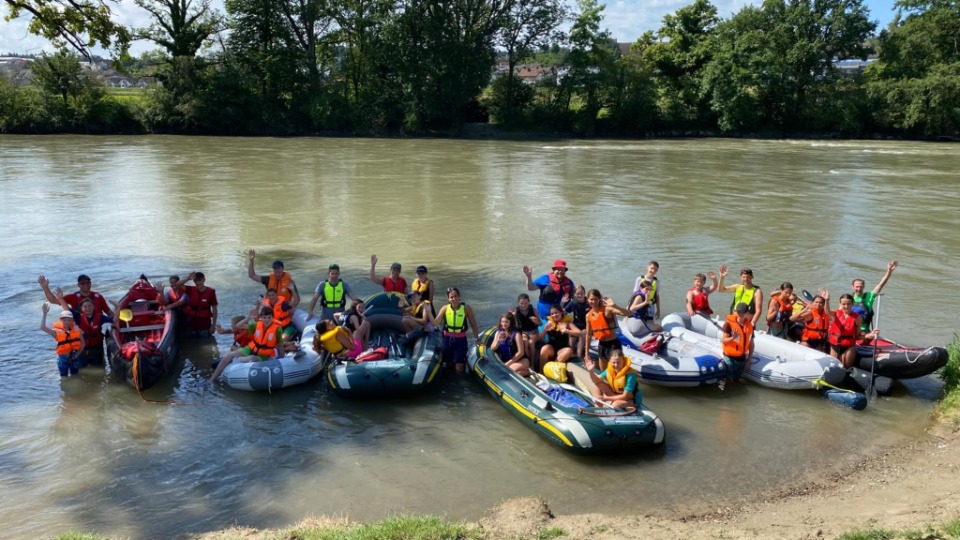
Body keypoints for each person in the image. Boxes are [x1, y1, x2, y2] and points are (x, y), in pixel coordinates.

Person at [210, 307, 284, 381]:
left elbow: (280, 344)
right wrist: (248, 318)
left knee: (252, 358)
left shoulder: (277, 329)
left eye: (269, 317)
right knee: (228, 355)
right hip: (251, 348)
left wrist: (282, 358)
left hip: (263, 353)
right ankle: (212, 379)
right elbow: (238, 326)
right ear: (261, 317)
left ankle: (239, 359)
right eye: (264, 317)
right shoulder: (256, 325)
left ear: (272, 317)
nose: (267, 320)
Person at [53, 289, 107, 367]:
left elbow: (113, 320)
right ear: (81, 308)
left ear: (93, 307)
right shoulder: (78, 317)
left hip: (97, 348)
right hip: (82, 349)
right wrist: (60, 298)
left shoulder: (100, 317)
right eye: (85, 306)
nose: (88, 308)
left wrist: (118, 308)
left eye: (90, 306)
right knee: (81, 369)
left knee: (99, 368)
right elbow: (67, 309)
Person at [433, 287, 479, 374]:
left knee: (459, 367)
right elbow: (435, 323)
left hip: (461, 340)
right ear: (448, 298)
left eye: (455, 296)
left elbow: (474, 325)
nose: (454, 299)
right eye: (451, 297)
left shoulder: (466, 308)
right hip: (447, 340)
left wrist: (477, 339)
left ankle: (459, 383)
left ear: (459, 297)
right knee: (448, 364)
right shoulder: (445, 308)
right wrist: (427, 311)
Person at [583, 289, 631, 372]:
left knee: (617, 370)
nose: (593, 301)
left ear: (599, 299)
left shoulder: (607, 309)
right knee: (604, 371)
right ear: (587, 299)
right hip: (602, 345)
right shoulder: (588, 316)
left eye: (596, 299)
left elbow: (628, 313)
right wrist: (586, 353)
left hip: (613, 344)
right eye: (591, 299)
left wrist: (614, 305)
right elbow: (588, 335)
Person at [829, 294, 876, 369]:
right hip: (835, 345)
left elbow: (857, 336)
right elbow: (827, 311)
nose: (846, 306)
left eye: (848, 304)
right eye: (844, 304)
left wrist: (868, 335)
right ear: (840, 304)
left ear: (852, 304)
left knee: (846, 367)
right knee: (833, 367)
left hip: (849, 346)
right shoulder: (836, 313)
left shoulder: (858, 318)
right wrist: (826, 300)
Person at [38, 274, 114, 320]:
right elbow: (53, 300)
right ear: (78, 285)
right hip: (80, 331)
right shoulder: (73, 297)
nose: (86, 285)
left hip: (97, 330)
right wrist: (45, 288)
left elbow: (108, 312)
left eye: (88, 282)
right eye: (83, 283)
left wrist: (118, 320)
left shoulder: (98, 296)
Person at [851, 260, 897, 332]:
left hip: (863, 330)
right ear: (853, 287)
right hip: (850, 328)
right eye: (857, 287)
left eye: (861, 287)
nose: (859, 289)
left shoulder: (869, 296)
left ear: (863, 287)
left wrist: (889, 271)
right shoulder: (849, 298)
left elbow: (881, 284)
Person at [41, 303, 83, 376]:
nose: (67, 322)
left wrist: (77, 354)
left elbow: (83, 343)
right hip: (62, 358)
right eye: (65, 320)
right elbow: (43, 328)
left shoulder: (77, 329)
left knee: (75, 376)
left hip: (74, 356)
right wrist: (44, 314)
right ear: (61, 320)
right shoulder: (56, 332)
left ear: (72, 320)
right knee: (64, 377)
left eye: (69, 320)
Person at [538, 304, 581, 373]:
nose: (554, 315)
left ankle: (551, 369)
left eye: (556, 313)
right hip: (551, 348)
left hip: (562, 349)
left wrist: (566, 330)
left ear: (561, 312)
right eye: (552, 314)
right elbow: (540, 338)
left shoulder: (567, 323)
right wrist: (544, 330)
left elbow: (580, 333)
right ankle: (541, 372)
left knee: (569, 350)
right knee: (545, 348)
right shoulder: (549, 323)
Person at [721, 303, 755, 384]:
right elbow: (723, 340)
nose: (740, 314)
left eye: (743, 312)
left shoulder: (749, 326)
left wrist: (749, 359)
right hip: (730, 358)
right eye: (738, 312)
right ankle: (729, 394)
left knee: (736, 380)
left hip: (742, 358)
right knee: (730, 380)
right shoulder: (728, 324)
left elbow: (751, 343)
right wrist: (733, 337)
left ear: (747, 313)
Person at [181, 271, 218, 336]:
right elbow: (177, 285)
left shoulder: (211, 292)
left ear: (204, 280)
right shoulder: (190, 289)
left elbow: (214, 309)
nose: (197, 282)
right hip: (191, 323)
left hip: (204, 324)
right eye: (195, 281)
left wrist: (213, 325)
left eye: (199, 280)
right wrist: (188, 278)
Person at [511, 293, 541, 364]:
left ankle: (532, 363)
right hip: (523, 332)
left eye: (526, 303)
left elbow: (540, 323)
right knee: (525, 341)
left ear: (529, 302)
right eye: (521, 303)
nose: (523, 305)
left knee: (531, 342)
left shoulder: (533, 310)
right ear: (518, 302)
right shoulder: (516, 311)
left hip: (533, 331)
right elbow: (510, 323)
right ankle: (527, 360)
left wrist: (536, 321)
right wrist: (513, 316)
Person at [563, 285, 589, 357]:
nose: (580, 295)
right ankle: (570, 353)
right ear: (574, 295)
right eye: (577, 294)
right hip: (577, 324)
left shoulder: (588, 302)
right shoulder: (573, 303)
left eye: (581, 293)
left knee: (582, 334)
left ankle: (579, 355)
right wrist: (562, 303)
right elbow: (564, 312)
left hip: (587, 325)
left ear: (584, 293)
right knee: (572, 337)